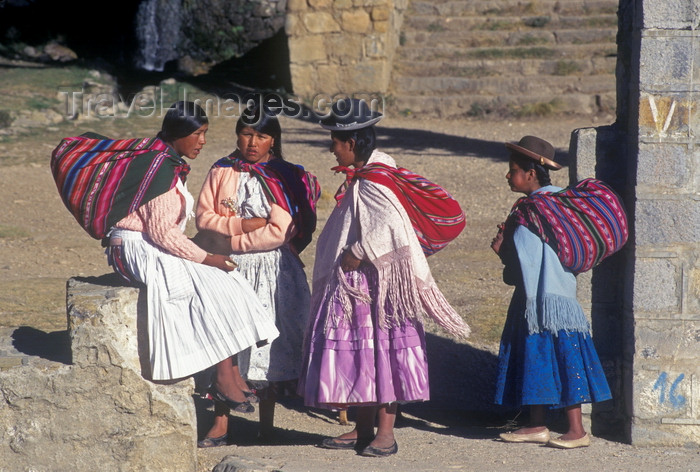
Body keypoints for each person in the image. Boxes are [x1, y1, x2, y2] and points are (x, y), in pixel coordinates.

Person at [297, 98, 470, 457]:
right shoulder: (366, 175)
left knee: (384, 353)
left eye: (336, 141)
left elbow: (391, 227)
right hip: (360, 286)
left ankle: (386, 433)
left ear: (353, 143)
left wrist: (357, 252)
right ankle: (362, 429)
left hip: (380, 288)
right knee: (364, 354)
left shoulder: (374, 181)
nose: (332, 147)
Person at [101, 101, 279, 413]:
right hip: (136, 248)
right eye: (197, 134)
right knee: (206, 284)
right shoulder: (160, 171)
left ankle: (232, 373)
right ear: (179, 133)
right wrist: (207, 257)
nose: (202, 141)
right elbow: (162, 233)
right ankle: (223, 377)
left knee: (225, 280)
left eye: (205, 133)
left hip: (150, 244)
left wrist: (209, 260)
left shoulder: (166, 163)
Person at [194, 105, 320, 446]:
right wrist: (240, 226)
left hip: (271, 268)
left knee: (268, 347)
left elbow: (281, 229)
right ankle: (220, 423)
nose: (252, 143)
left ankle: (267, 423)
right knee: (227, 342)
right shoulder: (222, 170)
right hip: (228, 266)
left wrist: (234, 238)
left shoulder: (284, 175)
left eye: (261, 136)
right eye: (247, 134)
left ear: (273, 141)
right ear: (237, 135)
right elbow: (204, 217)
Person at [490, 136, 612, 449]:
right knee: (561, 356)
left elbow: (520, 268)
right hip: (562, 297)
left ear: (531, 174)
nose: (508, 175)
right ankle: (544, 425)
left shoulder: (528, 211)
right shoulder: (562, 202)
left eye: (513, 170)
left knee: (541, 356)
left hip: (537, 299)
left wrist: (502, 249)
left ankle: (570, 430)